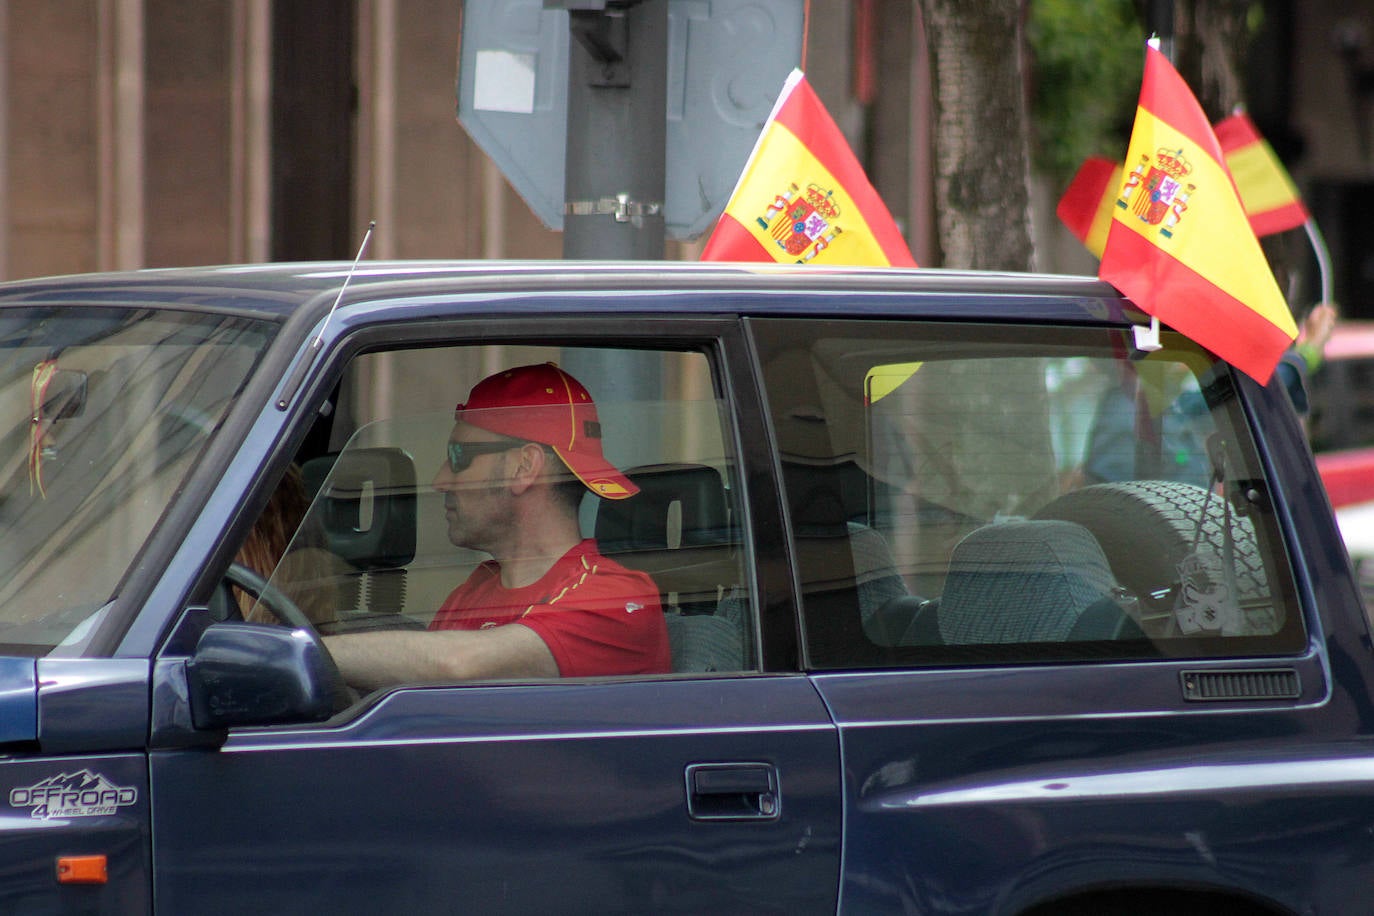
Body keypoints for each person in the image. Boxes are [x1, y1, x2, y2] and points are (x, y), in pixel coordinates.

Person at [324, 362, 671, 691]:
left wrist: (298, 655)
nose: (440, 480)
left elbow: (458, 666)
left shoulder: (618, 597)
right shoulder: (474, 592)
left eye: (459, 456)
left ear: (523, 466)